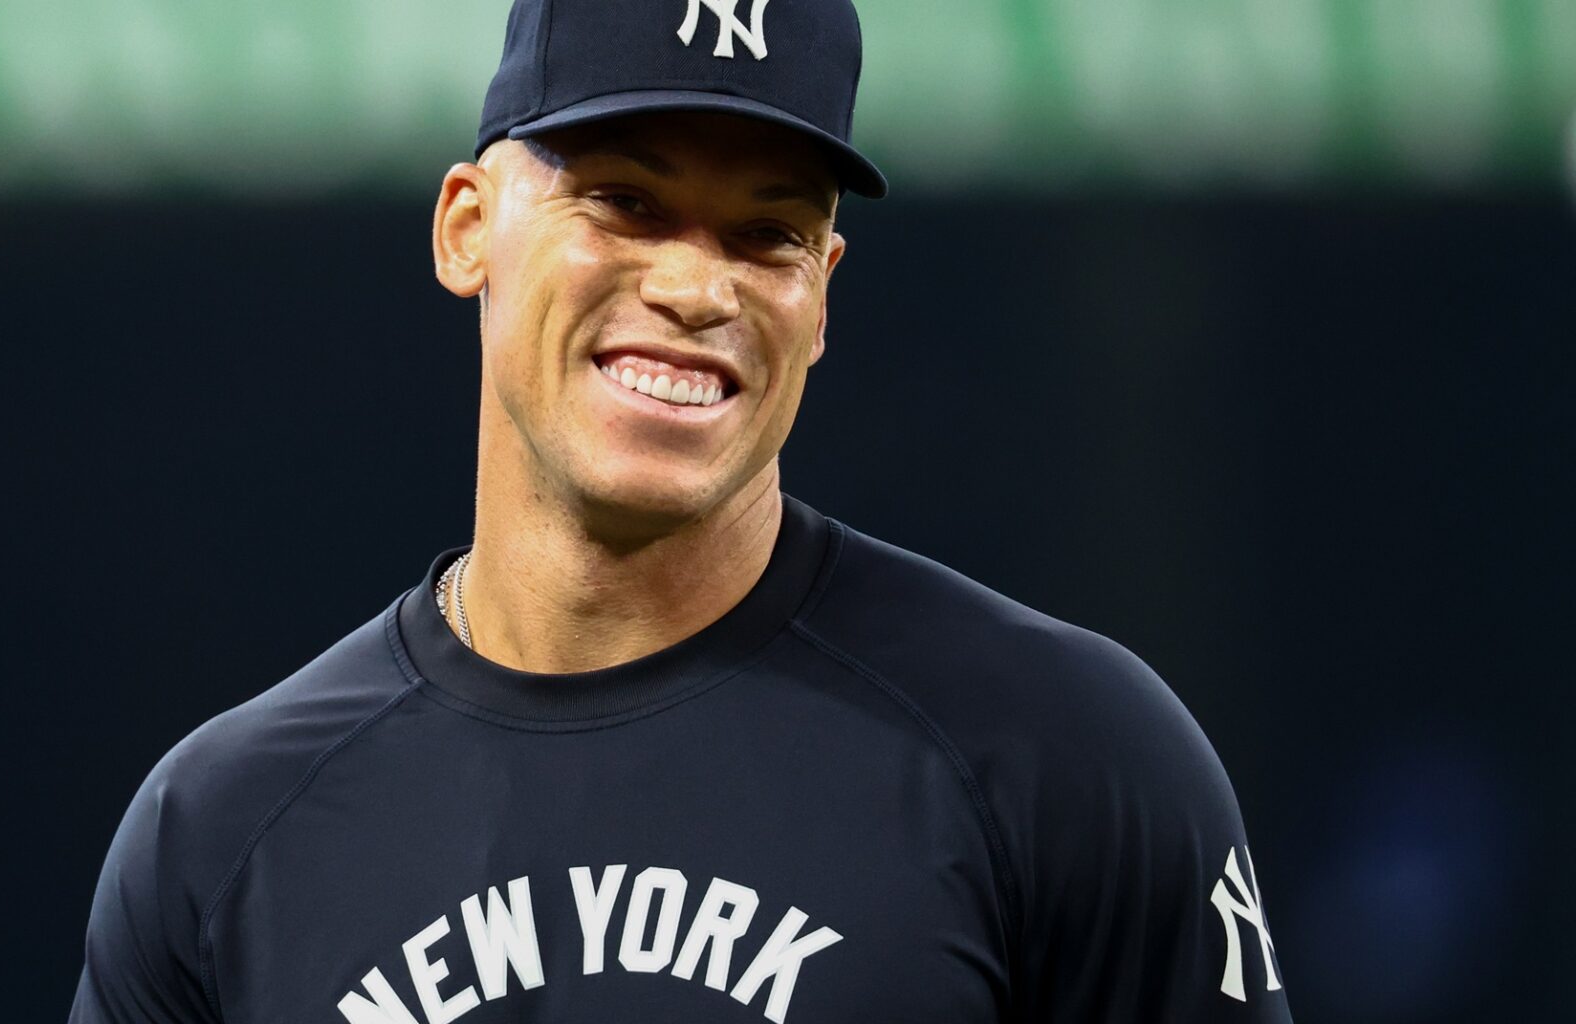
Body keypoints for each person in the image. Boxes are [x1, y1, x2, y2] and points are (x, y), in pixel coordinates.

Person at [68, 1, 1293, 1021]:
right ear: (467, 228)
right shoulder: (224, 834)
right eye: (627, 203)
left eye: (767, 233)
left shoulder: (1066, 759)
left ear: (822, 296)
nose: (697, 286)